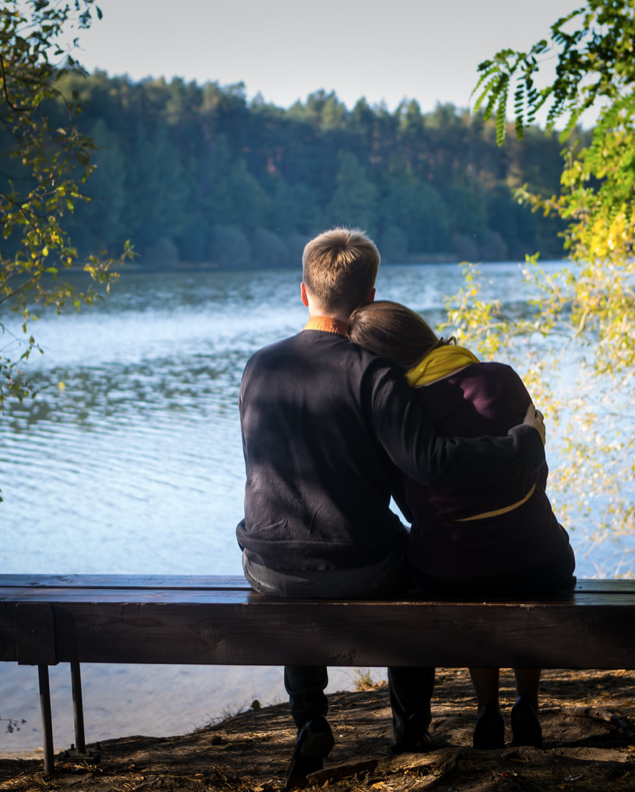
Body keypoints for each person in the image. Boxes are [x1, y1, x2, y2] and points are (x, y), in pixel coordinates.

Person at [237, 229, 548, 787]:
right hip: (359, 566)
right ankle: (409, 729)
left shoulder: (259, 367)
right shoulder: (374, 373)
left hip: (266, 566)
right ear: (370, 295)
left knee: (291, 566)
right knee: (415, 566)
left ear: (303, 292)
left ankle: (310, 716)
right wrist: (522, 444)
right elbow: (433, 463)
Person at [346, 300, 576, 751]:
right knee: (523, 554)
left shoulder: (399, 412)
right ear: (420, 331)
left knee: (469, 568)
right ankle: (526, 703)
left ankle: (487, 708)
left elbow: (408, 504)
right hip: (538, 560)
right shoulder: (499, 377)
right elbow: (538, 470)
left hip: (447, 569)